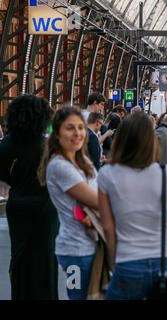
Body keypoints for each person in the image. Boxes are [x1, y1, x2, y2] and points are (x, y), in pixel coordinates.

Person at [97, 112, 167, 300]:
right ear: (151, 141)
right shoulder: (166, 174)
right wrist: (157, 226)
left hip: (129, 261)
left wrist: (115, 262)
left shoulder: (107, 174)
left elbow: (108, 227)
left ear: (121, 139)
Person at [0, 94, 58, 300]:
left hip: (18, 207)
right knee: (46, 260)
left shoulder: (7, 143)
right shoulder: (48, 146)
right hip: (45, 207)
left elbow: (2, 174)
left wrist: (17, 183)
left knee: (19, 259)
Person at [38, 106, 99, 300]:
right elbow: (96, 200)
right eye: (70, 128)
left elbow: (80, 202)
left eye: (81, 127)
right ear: (56, 134)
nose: (77, 133)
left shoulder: (83, 162)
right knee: (79, 297)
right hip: (75, 250)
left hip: (92, 244)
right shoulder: (59, 166)